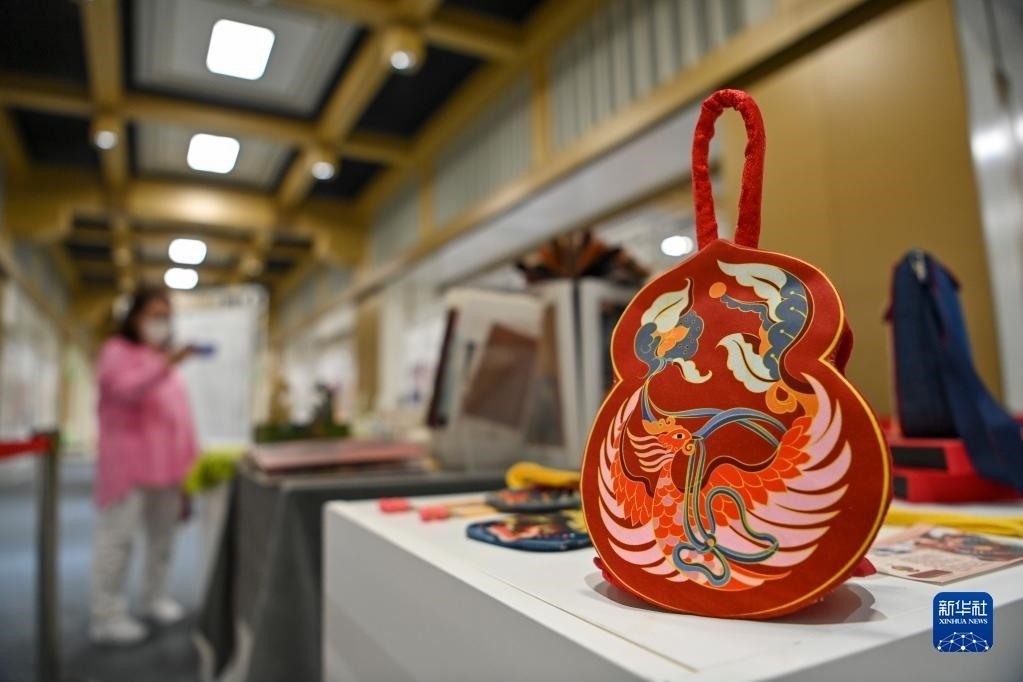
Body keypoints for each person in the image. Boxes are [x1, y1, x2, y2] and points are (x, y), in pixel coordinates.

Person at [89, 287, 199, 645]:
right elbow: (125, 390)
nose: (161, 322)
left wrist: (190, 469)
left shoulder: (166, 362)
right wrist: (165, 365)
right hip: (128, 467)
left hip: (168, 469)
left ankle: (154, 598)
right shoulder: (117, 352)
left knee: (163, 540)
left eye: (166, 316)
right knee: (118, 541)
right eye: (154, 314)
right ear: (135, 316)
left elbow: (181, 420)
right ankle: (106, 615)